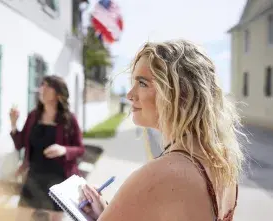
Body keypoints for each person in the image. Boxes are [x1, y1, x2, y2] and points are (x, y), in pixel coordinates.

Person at [80, 40, 244, 221]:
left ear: (179, 93)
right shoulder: (223, 164)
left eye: (142, 83)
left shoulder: (159, 174)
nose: (129, 95)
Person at [9, 75, 85, 219]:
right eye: (42, 85)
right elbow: (20, 144)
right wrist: (13, 124)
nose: (42, 89)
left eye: (47, 86)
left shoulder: (69, 119)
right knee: (20, 217)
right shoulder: (33, 116)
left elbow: (80, 149)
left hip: (59, 180)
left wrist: (63, 150)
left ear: (58, 94)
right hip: (34, 178)